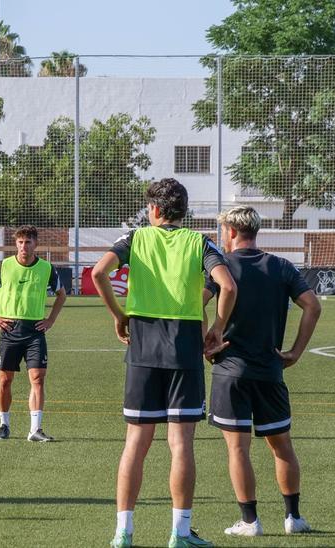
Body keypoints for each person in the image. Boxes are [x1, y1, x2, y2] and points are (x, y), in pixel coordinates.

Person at [91, 178, 237, 548]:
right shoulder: (198, 242)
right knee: (180, 444)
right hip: (184, 347)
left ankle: (123, 532)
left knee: (135, 443)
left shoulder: (135, 239)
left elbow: (96, 273)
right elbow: (228, 286)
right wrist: (217, 329)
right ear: (183, 212)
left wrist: (119, 315)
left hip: (142, 345)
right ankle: (180, 534)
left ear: (153, 210)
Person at [203, 206, 321, 537]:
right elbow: (313, 306)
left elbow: (194, 301)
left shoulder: (221, 268)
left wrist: (206, 341)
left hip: (230, 371)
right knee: (282, 445)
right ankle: (293, 518)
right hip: (270, 370)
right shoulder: (281, 266)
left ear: (230, 232)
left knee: (238, 449)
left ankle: (250, 522)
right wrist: (295, 352)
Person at [0, 225, 66, 442]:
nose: (24, 246)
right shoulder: (3, 266)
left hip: (35, 331)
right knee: (5, 379)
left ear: (36, 244)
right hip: (10, 329)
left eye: (28, 242)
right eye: (20, 242)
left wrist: (51, 319)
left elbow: (62, 294)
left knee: (38, 378)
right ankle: (4, 424)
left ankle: (35, 429)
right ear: (16, 244)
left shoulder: (47, 268)